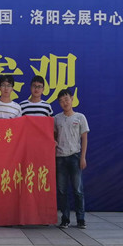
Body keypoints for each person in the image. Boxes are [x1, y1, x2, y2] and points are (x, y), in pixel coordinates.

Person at [54, 88, 89, 229]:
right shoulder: (56, 118)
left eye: (66, 99)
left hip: (75, 156)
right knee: (62, 191)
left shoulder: (80, 117)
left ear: (72, 99)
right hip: (60, 158)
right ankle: (65, 218)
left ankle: (80, 219)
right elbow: (53, 136)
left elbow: (84, 138)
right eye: (61, 101)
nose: (65, 103)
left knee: (78, 190)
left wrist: (83, 157)